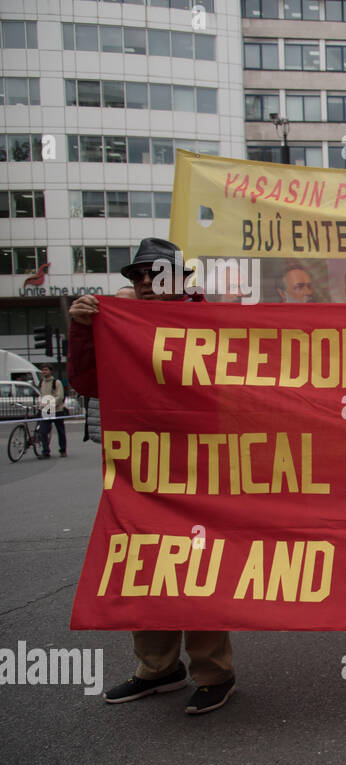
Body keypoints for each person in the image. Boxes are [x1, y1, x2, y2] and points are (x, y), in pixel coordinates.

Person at [68, 237, 237, 716]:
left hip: (201, 468)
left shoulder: (207, 319)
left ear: (181, 279)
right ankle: (158, 668)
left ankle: (213, 672)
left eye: (155, 273)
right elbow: (87, 382)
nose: (144, 282)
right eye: (137, 275)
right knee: (146, 562)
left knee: (199, 567)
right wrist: (84, 330)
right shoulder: (116, 322)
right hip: (142, 471)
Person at [35, 364, 67, 459]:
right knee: (43, 431)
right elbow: (41, 395)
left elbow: (60, 396)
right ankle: (45, 451)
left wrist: (49, 404)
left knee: (60, 431)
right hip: (46, 410)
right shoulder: (41, 383)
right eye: (43, 370)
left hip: (57, 410)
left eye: (46, 370)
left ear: (51, 371)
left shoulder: (57, 383)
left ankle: (63, 450)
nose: (44, 372)